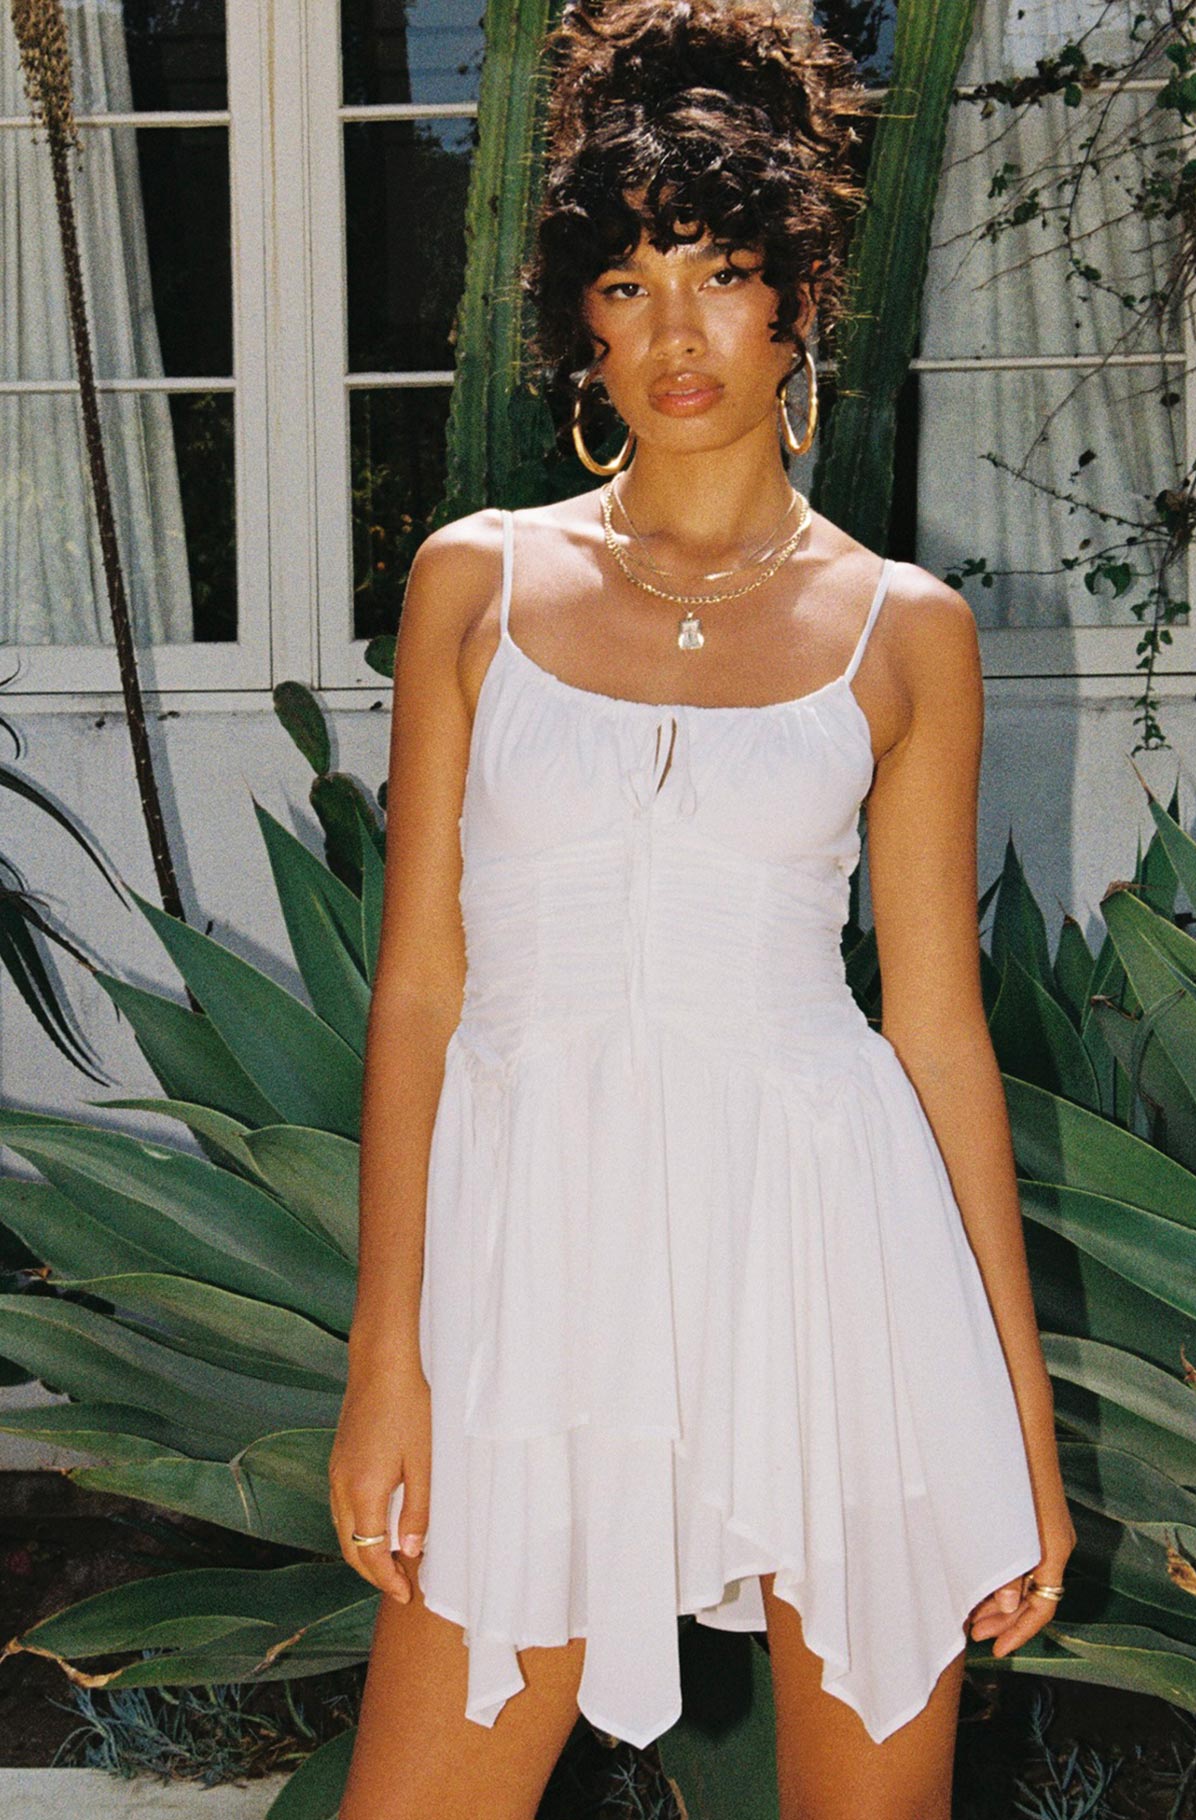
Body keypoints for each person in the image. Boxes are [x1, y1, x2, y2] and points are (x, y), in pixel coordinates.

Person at [329, 2, 1075, 1815]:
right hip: (531, 1267)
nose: (678, 332)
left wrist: (1021, 1428)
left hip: (830, 1254)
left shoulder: (906, 630)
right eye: (632, 280)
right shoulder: (476, 585)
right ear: (581, 320)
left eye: (723, 275)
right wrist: (385, 1359)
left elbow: (936, 1032)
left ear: (798, 300)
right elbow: (420, 990)